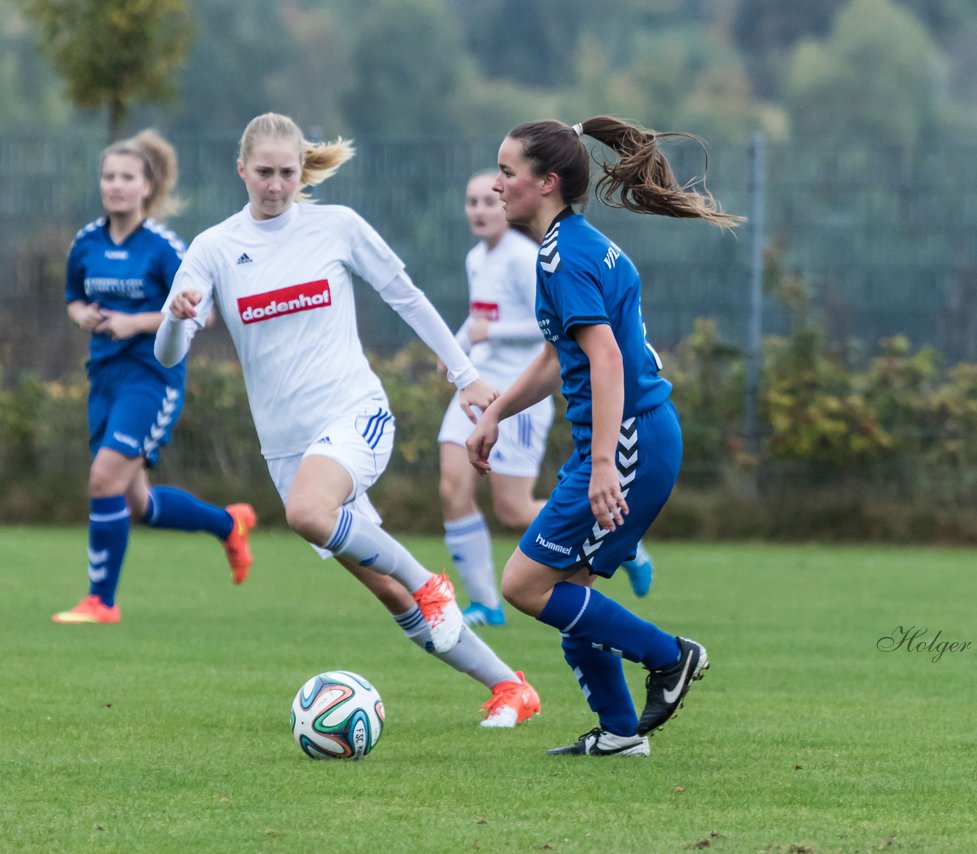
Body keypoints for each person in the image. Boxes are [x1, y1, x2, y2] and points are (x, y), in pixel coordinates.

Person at [154, 113, 539, 728]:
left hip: (355, 413)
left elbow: (405, 295)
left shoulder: (336, 227)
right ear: (241, 170)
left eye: (287, 172)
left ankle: (430, 583)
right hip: (286, 450)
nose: (276, 186)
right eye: (264, 173)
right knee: (389, 591)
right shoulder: (214, 249)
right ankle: (510, 686)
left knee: (311, 514)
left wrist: (464, 376)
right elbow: (168, 354)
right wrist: (176, 316)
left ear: (300, 170)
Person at [467, 117, 740, 756]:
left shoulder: (564, 257)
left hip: (630, 443)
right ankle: (620, 734)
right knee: (572, 597)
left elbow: (607, 360)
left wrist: (600, 467)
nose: (498, 185)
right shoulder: (576, 245)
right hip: (640, 437)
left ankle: (671, 656)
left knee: (525, 586)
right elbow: (560, 354)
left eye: (508, 172)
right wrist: (495, 413)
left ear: (547, 182)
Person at [54, 129, 256, 625]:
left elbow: (201, 315)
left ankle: (101, 601)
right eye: (108, 176)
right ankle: (229, 524)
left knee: (103, 479)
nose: (116, 185)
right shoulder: (86, 242)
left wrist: (138, 322)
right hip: (103, 376)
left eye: (127, 177)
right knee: (136, 502)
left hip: (150, 379)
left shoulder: (164, 247)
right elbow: (73, 297)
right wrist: (80, 314)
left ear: (148, 187)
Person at [438, 173, 655, 629]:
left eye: (489, 199)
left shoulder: (530, 258)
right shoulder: (477, 257)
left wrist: (487, 334)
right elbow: (479, 316)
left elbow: (552, 335)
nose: (481, 208)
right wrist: (454, 353)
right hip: (479, 387)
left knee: (513, 509)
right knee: (451, 488)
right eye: (471, 200)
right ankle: (485, 604)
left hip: (518, 390)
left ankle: (620, 535)